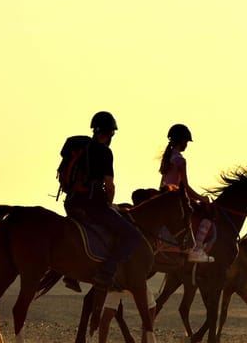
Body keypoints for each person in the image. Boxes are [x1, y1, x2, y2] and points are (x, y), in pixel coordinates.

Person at [64, 111, 142, 287]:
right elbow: (109, 184)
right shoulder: (105, 152)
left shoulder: (82, 148)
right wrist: (109, 203)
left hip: (71, 202)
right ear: (110, 133)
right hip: (93, 206)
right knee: (132, 236)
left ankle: (71, 274)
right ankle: (107, 271)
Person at [159, 124, 214, 263]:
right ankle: (197, 249)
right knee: (207, 215)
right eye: (186, 142)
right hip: (176, 197)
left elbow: (162, 184)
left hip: (164, 196)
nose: (187, 145)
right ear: (182, 141)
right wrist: (203, 199)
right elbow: (185, 188)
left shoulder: (167, 157)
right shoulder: (180, 160)